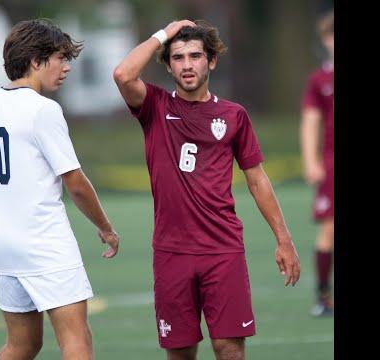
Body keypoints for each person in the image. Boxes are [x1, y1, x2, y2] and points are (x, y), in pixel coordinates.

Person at [113, 19, 300, 360]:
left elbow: (257, 180)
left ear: (211, 61)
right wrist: (164, 34)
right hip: (172, 253)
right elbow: (123, 74)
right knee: (181, 352)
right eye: (178, 57)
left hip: (223, 249)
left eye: (195, 56)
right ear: (168, 65)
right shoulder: (154, 106)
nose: (187, 65)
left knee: (229, 349)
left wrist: (283, 238)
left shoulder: (234, 115)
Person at [0, 19, 119, 360]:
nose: (67, 67)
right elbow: (75, 183)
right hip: (45, 242)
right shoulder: (43, 110)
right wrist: (105, 227)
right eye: (60, 58)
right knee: (77, 342)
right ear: (35, 61)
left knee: (23, 344)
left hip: (2, 246)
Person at [300, 10, 334, 317]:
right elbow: (311, 122)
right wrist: (311, 160)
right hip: (332, 164)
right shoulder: (320, 80)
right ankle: (324, 297)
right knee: (329, 228)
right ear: (325, 41)